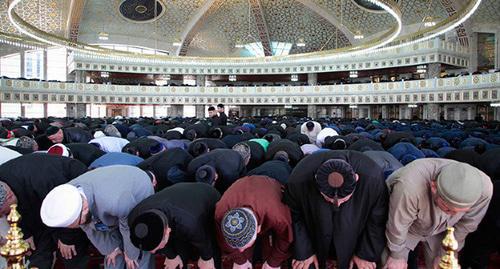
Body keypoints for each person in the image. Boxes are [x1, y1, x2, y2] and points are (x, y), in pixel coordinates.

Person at [284, 150, 388, 269]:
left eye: (344, 200)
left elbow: (377, 219)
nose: (337, 205)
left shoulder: (372, 178)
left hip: (356, 236)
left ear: (357, 178)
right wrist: (305, 251)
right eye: (328, 199)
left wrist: (365, 254)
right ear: (316, 178)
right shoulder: (299, 179)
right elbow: (294, 217)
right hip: (315, 234)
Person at [383, 159, 493, 269]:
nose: (453, 214)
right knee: (389, 264)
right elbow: (398, 225)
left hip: (445, 231)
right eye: (447, 208)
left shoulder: (484, 190)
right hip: (407, 228)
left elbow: (465, 225)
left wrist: (446, 252)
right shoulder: (409, 186)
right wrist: (396, 255)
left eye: (461, 211)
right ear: (434, 187)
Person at [40, 165, 155, 269]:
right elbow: (88, 227)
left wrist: (131, 254)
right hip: (107, 203)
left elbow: (129, 226)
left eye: (77, 223)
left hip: (137, 191)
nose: (78, 226)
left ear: (84, 208)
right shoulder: (67, 195)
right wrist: (110, 249)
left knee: (137, 254)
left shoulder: (115, 201)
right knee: (113, 259)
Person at [0, 154, 89, 268]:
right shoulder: (4, 182)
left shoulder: (44, 180)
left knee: (70, 252)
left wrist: (67, 238)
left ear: (9, 196)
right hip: (38, 204)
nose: (4, 217)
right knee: (33, 248)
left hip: (74, 200)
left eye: (4, 212)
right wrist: (25, 233)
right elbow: (15, 210)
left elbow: (71, 211)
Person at [128, 183, 221, 269]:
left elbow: (203, 241)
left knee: (211, 256)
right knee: (179, 254)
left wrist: (206, 258)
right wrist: (171, 256)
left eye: (158, 248)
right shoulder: (133, 219)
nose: (152, 253)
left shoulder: (191, 222)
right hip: (177, 200)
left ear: (168, 231)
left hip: (207, 197)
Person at [215, 175, 293, 269]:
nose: (240, 250)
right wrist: (240, 261)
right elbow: (223, 240)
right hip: (244, 183)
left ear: (258, 229)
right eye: (236, 246)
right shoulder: (221, 213)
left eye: (243, 246)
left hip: (272, 180)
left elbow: (285, 238)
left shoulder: (278, 216)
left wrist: (273, 263)